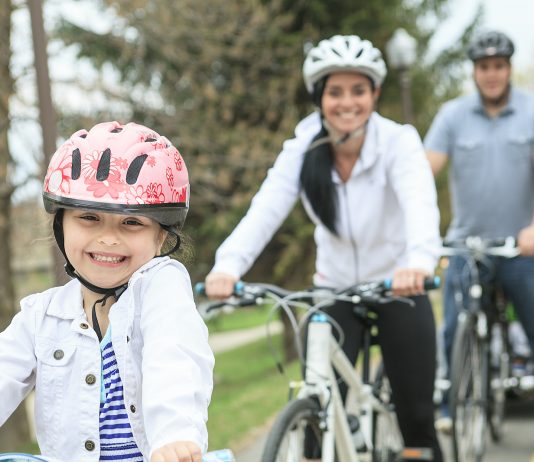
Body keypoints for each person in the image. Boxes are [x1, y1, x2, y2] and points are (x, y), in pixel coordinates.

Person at [205, 34, 443, 461]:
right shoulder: (304, 146)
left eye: (359, 90)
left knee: (417, 419)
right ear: (320, 96)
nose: (347, 102)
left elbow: (420, 204)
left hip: (397, 285)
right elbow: (266, 208)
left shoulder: (398, 142)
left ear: (375, 94)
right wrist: (228, 266)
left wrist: (419, 262)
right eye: (335, 92)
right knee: (318, 409)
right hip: (333, 287)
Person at [0, 122, 214, 462]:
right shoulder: (41, 317)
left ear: (161, 236)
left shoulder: (162, 287)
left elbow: (173, 354)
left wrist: (173, 433)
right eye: (89, 217)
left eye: (131, 223)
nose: (109, 238)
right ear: (61, 225)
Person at [424, 30, 534, 431]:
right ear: (474, 71)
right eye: (484, 67)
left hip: (520, 248)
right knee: (453, 326)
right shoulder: (452, 116)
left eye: (499, 66)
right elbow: (421, 175)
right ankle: (450, 406)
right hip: (465, 244)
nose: (491, 74)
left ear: (508, 69)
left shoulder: (530, 110)